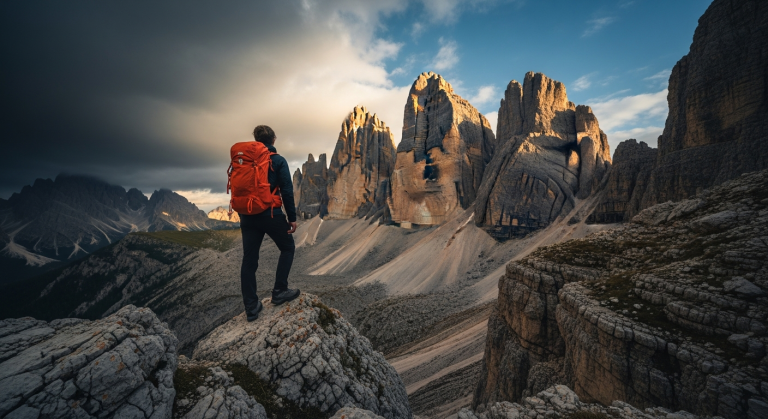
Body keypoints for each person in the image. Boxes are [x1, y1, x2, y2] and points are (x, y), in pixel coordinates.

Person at [239, 125, 300, 322]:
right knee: (288, 247)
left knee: (249, 260)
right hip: (270, 214)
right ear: (273, 140)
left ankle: (251, 307)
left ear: (256, 141)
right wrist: (292, 218)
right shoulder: (278, 160)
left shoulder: (244, 162)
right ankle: (279, 290)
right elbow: (287, 191)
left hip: (247, 215)